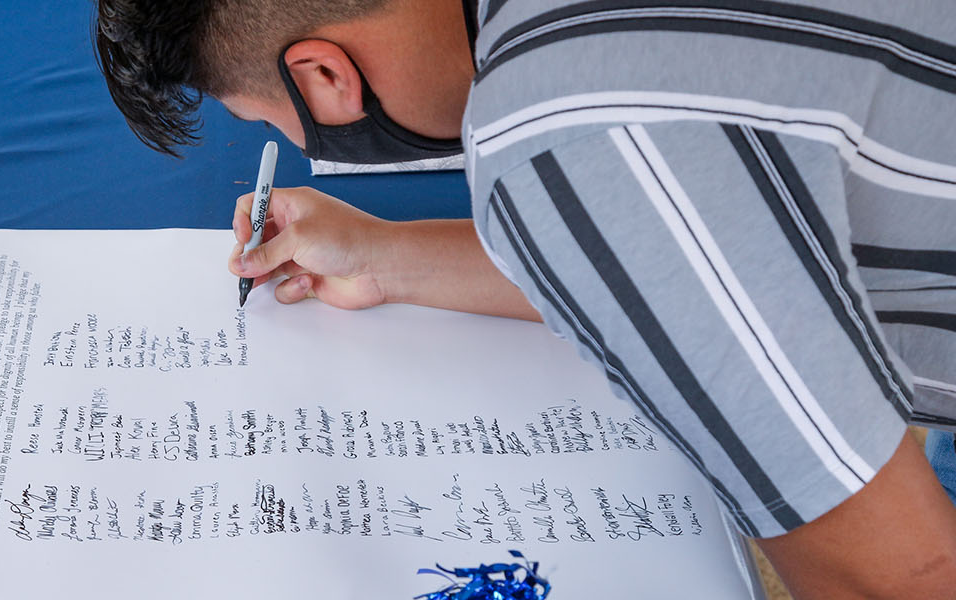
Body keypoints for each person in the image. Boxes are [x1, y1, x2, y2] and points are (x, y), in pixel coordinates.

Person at [92, 0, 956, 596]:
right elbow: (672, 247)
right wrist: (382, 255)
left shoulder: (561, 137)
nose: (290, 138)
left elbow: (897, 573)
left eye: (267, 120)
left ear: (322, 75)